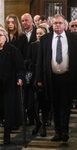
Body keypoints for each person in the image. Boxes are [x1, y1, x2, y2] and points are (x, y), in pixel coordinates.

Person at [36, 14, 77, 142]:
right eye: (55, 23)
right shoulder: (45, 39)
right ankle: (57, 132)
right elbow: (40, 59)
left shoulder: (73, 38)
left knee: (66, 105)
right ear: (51, 25)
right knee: (54, 106)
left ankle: (65, 131)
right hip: (51, 77)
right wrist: (39, 78)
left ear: (65, 25)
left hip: (67, 77)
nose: (57, 25)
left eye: (60, 23)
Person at [0, 27, 25, 147]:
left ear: (5, 37)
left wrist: (20, 78)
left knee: (8, 111)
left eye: (0, 35)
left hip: (9, 85)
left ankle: (6, 136)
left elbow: (20, 68)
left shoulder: (12, 50)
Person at [26, 26, 49, 137]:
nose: (39, 35)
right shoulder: (33, 45)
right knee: (31, 105)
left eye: (41, 33)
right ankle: (37, 122)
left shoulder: (48, 45)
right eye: (37, 33)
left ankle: (43, 125)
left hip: (45, 77)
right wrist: (31, 64)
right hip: (34, 76)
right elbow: (28, 59)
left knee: (44, 104)